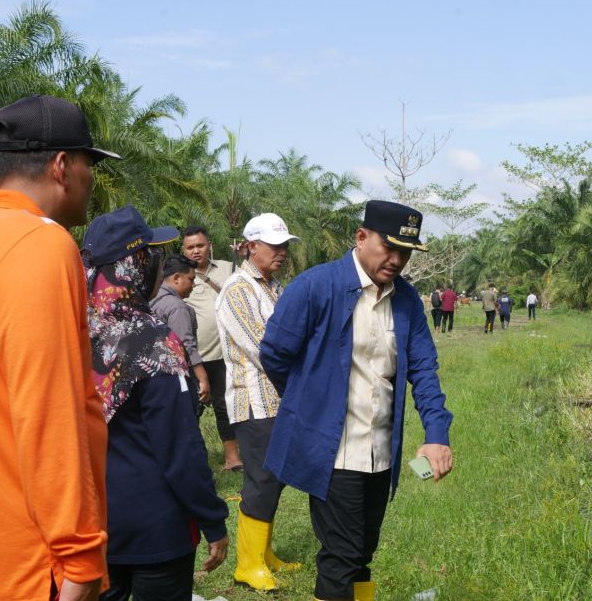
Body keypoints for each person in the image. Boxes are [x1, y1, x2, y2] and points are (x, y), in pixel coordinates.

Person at [0, 95, 119, 601]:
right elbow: (49, 412)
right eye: (90, 163)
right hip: (29, 565)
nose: (92, 180)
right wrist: (82, 559)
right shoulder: (40, 244)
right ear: (62, 166)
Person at [260, 200, 454, 601]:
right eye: (390, 248)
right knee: (341, 556)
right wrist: (311, 402)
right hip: (336, 453)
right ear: (361, 237)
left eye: (406, 252)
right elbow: (275, 354)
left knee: (363, 553)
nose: (397, 260)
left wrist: (437, 433)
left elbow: (424, 370)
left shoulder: (406, 301)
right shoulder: (316, 287)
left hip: (380, 452)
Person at [82, 206, 229, 601]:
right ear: (137, 266)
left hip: (91, 527)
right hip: (157, 530)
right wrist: (213, 518)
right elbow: (180, 449)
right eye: (153, 257)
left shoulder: (73, 333)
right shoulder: (155, 344)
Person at [214, 213, 302, 591]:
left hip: (278, 399)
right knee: (260, 479)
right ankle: (247, 565)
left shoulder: (272, 287)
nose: (282, 252)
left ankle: (264, 553)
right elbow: (264, 346)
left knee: (276, 477)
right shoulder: (237, 290)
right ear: (252, 247)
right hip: (253, 401)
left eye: (285, 245)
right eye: (274, 245)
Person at [181, 226, 242, 471]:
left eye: (200, 245)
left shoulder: (229, 268)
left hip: (223, 354)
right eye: (190, 247)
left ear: (210, 246)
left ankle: (232, 457)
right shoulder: (178, 274)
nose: (196, 251)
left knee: (223, 405)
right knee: (190, 408)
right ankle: (192, 460)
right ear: (183, 250)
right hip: (192, 356)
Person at [151, 253, 210, 411]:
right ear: (177, 278)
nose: (193, 285)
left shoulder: (151, 299)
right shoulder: (177, 307)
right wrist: (203, 378)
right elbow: (185, 344)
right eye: (191, 279)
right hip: (176, 379)